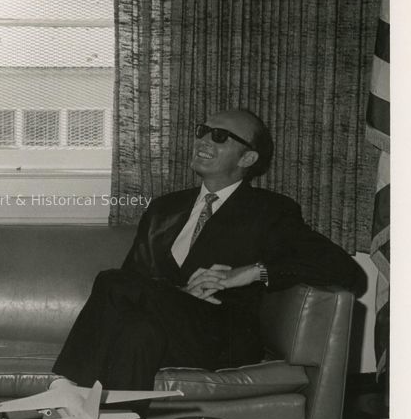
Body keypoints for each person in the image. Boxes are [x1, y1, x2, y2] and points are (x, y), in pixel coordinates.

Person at [52, 108, 366, 391]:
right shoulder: (164, 208)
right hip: (167, 329)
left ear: (247, 159)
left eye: (219, 137)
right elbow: (136, 281)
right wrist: (178, 295)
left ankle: (64, 389)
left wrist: (251, 272)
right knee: (136, 332)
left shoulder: (270, 211)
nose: (203, 140)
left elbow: (347, 272)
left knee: (111, 281)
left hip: (221, 337)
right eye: (202, 130)